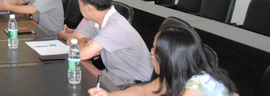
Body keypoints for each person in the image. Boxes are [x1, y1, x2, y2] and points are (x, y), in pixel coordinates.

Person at [87, 26, 237, 96]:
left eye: (154, 50)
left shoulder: (195, 89)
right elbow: (143, 90)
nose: (151, 54)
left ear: (169, 57)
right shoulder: (178, 74)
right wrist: (109, 95)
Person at [61, 0, 153, 86]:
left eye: (79, 4)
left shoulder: (115, 26)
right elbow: (71, 40)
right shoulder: (96, 19)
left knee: (77, 82)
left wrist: (83, 43)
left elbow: (81, 54)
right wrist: (85, 41)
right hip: (114, 74)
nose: (79, 7)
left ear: (89, 8)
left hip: (133, 82)